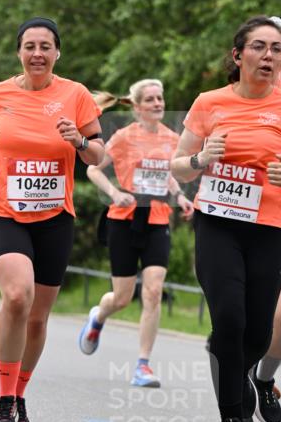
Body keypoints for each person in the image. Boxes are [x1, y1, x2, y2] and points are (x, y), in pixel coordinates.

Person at [0, 16, 103, 422]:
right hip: (5, 211)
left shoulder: (76, 95)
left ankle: (21, 395)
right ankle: (4, 399)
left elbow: (98, 155)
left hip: (55, 218)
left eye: (46, 46)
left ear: (57, 53)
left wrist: (78, 141)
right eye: (30, 46)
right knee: (16, 296)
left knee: (38, 318)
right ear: (19, 52)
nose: (37, 54)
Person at [171, 15, 281, 422]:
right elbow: (178, 164)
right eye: (259, 47)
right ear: (238, 55)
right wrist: (202, 158)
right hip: (218, 223)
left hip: (268, 227)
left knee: (259, 331)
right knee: (229, 317)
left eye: (277, 48)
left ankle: (242, 371)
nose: (269, 56)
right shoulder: (210, 102)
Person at [78, 80, 194, 386]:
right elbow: (93, 169)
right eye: (151, 99)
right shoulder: (123, 137)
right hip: (123, 221)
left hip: (156, 219)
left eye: (161, 98)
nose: (158, 103)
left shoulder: (172, 138)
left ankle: (143, 365)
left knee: (153, 291)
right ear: (138, 106)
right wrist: (115, 193)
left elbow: (168, 176)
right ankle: (98, 317)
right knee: (122, 298)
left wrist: (180, 196)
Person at [248, 15, 281, 422]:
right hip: (267, 218)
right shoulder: (253, 103)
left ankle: (262, 379)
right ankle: (245, 382)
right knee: (280, 315)